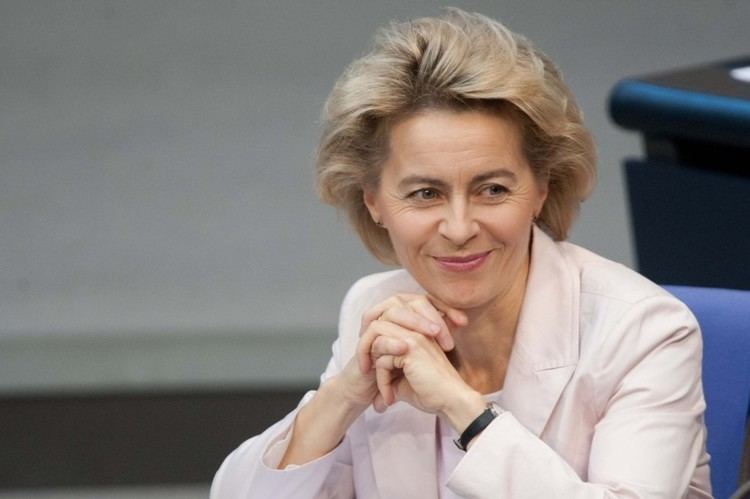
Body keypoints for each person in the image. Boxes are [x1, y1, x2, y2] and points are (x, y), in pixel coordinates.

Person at [211, 8, 711, 498]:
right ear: (374, 202)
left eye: (491, 189)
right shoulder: (377, 308)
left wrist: (462, 408)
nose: (459, 228)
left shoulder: (644, 332)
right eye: (425, 193)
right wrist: (344, 394)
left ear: (540, 188)